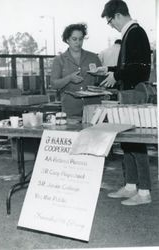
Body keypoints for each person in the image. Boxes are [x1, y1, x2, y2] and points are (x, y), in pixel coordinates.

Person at [97, 0, 152, 205]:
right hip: (129, 90)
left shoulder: (136, 33)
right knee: (127, 140)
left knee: (137, 143)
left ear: (118, 15)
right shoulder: (130, 33)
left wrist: (117, 74)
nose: (111, 25)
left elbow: (141, 69)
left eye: (110, 21)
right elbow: (130, 66)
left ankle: (144, 192)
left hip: (135, 91)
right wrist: (109, 71)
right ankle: (131, 186)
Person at [50, 23, 102, 118]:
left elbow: (102, 81)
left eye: (80, 39)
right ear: (67, 40)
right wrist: (69, 78)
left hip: (93, 108)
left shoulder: (93, 57)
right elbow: (54, 84)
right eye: (74, 39)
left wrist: (101, 76)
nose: (78, 42)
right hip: (71, 110)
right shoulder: (59, 60)